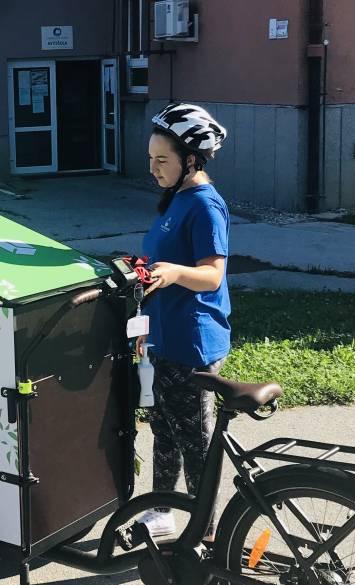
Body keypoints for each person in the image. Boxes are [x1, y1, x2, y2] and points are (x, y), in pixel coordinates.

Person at [135, 103, 231, 539]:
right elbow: (164, 256)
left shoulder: (205, 206)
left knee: (194, 440)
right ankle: (161, 511)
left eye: (162, 160)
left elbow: (212, 275)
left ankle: (206, 533)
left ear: (191, 160)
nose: (153, 168)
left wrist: (174, 273)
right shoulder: (178, 198)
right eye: (150, 158)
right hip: (166, 335)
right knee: (165, 428)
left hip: (191, 343)